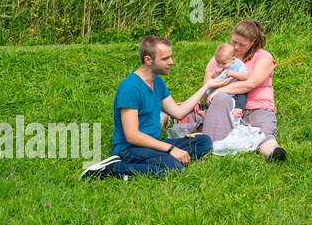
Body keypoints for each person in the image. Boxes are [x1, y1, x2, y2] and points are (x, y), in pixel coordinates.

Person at [80, 36, 231, 180]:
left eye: (170, 57)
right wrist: (171, 149)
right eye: (165, 58)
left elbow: (178, 112)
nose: (171, 62)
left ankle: (166, 159)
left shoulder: (157, 82)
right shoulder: (130, 88)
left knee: (204, 141)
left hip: (153, 144)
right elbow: (132, 136)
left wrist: (207, 86)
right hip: (130, 148)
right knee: (173, 168)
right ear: (148, 60)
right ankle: (113, 168)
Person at [202, 19, 286, 162]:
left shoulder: (263, 57)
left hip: (257, 107)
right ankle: (206, 149)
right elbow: (206, 91)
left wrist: (221, 90)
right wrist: (215, 91)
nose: (236, 47)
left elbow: (250, 83)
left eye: (242, 44)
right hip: (228, 107)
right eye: (234, 41)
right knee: (221, 100)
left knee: (264, 136)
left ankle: (273, 152)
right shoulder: (220, 57)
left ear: (252, 42)